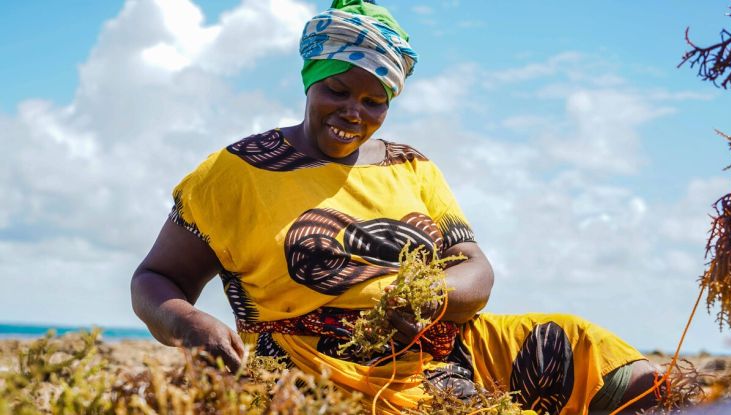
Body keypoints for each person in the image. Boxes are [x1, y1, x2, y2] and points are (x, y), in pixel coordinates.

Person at [131, 1, 660, 413]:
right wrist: (186, 323)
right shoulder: (238, 172)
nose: (353, 112)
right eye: (338, 90)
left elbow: (475, 269)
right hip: (313, 372)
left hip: (444, 354)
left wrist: (429, 296)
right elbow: (155, 278)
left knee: (601, 358)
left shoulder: (412, 167)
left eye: (374, 100)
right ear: (311, 82)